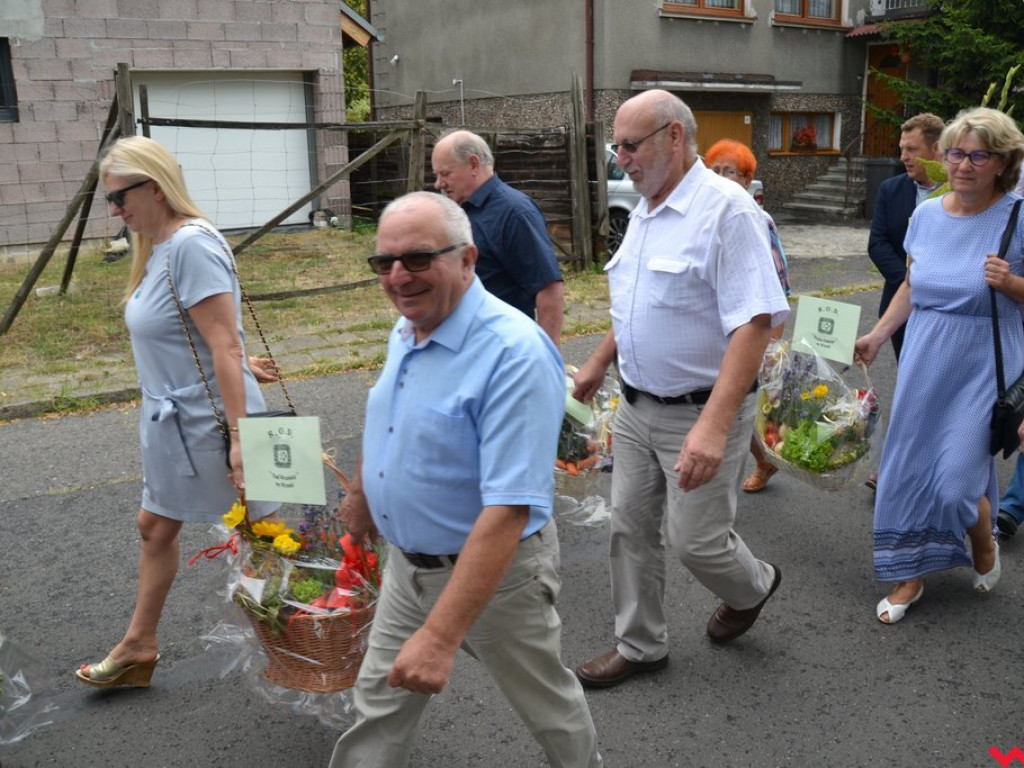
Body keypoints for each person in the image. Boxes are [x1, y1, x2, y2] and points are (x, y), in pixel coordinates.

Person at [328, 191, 602, 768]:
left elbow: (509, 508)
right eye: (384, 262)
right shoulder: (411, 324)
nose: (398, 276)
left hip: (499, 578)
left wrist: (439, 638)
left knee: (547, 706)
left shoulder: (512, 352)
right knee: (376, 710)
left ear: (467, 259)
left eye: (417, 258)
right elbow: (389, 417)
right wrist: (361, 496)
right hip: (407, 570)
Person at [571, 90, 790, 690]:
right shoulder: (646, 209)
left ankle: (753, 585)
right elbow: (639, 304)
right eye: (616, 146)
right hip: (636, 405)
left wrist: (713, 427)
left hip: (699, 410)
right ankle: (640, 645)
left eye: (630, 146)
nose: (620, 159)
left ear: (674, 136)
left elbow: (756, 323)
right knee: (629, 529)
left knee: (695, 541)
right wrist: (597, 364)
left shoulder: (728, 211)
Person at [75, 136, 277, 688]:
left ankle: (315, 641)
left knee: (264, 536)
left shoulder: (191, 245)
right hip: (175, 423)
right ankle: (140, 643)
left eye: (119, 197)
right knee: (159, 526)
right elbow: (204, 332)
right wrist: (238, 359)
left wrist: (240, 436)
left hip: (209, 424)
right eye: (110, 200)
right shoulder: (158, 247)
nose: (115, 210)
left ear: (156, 187)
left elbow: (223, 342)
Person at [854, 107, 1024, 624]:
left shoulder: (1018, 218)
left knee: (953, 483)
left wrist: (1011, 283)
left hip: (984, 362)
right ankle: (909, 574)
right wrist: (878, 334)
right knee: (907, 466)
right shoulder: (926, 215)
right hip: (925, 357)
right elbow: (913, 284)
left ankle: (982, 539)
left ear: (1003, 162)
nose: (963, 165)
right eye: (956, 153)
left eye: (979, 155)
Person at [704, 139, 792, 494]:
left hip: (747, 330)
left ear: (746, 180)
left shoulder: (759, 219)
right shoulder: (703, 215)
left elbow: (777, 285)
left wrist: (772, 344)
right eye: (715, 170)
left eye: (730, 171)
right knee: (728, 401)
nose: (721, 177)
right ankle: (763, 459)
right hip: (714, 327)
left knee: (737, 402)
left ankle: (752, 464)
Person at [431, 129, 565, 347]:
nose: (438, 183)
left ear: (474, 164)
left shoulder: (514, 213)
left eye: (445, 173)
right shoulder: (457, 211)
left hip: (503, 348)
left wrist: (548, 355)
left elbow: (548, 287)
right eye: (436, 175)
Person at [868, 113, 945, 361]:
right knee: (907, 372)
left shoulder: (958, 191)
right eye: (902, 149)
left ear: (936, 148)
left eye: (912, 149)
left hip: (944, 309)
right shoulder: (890, 189)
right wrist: (911, 282)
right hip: (899, 308)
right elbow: (877, 244)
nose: (903, 157)